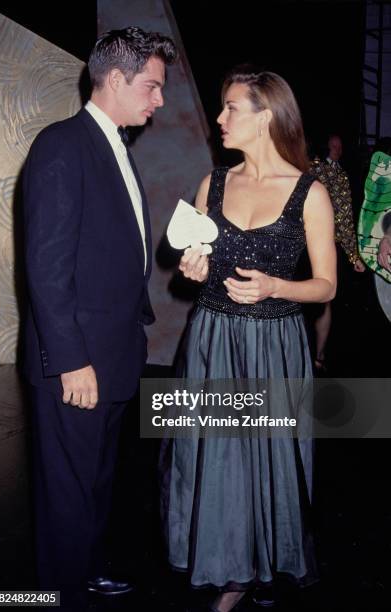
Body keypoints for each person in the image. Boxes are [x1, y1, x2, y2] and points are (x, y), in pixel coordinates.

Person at [161, 67, 336, 612]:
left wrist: (277, 286)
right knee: (215, 459)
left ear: (265, 117)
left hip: (275, 346)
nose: (219, 119)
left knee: (268, 462)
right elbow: (198, 264)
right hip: (212, 338)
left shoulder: (310, 193)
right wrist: (194, 268)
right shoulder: (213, 183)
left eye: (230, 108)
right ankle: (228, 569)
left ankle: (256, 567)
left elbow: (326, 285)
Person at [23, 27, 176, 607]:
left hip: (111, 356)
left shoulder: (112, 145)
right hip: (77, 364)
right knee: (66, 491)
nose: (159, 100)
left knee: (95, 483)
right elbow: (47, 267)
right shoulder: (63, 145)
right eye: (153, 87)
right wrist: (71, 361)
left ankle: (84, 572)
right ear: (116, 79)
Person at [310, 134, 364, 370]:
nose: (338, 150)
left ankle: (318, 355)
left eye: (341, 147)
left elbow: (345, 219)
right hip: (301, 246)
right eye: (334, 146)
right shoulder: (309, 168)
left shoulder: (340, 175)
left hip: (328, 248)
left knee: (325, 301)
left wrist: (353, 255)